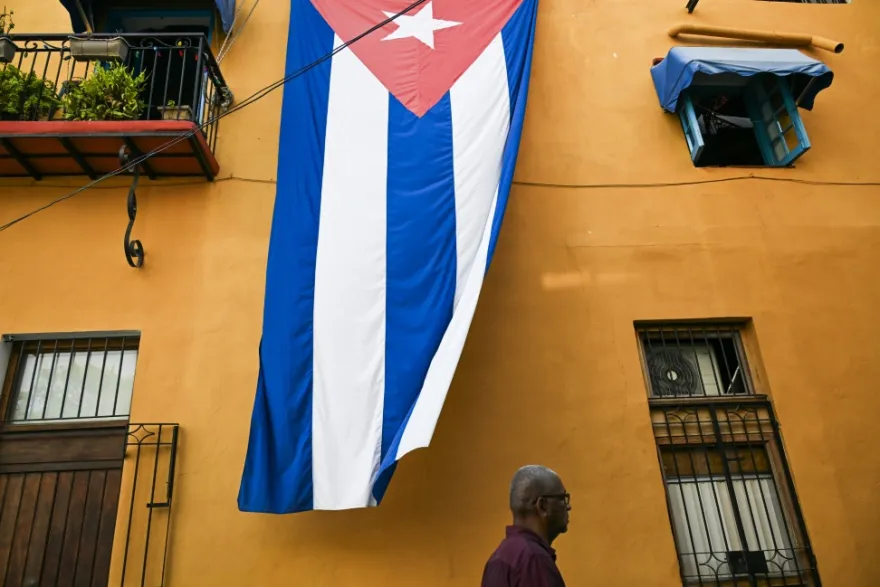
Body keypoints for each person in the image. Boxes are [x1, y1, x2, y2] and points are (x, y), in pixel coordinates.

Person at [481, 465, 570, 587]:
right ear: (542, 506)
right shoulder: (534, 559)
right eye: (562, 498)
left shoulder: (498, 558)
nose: (568, 506)